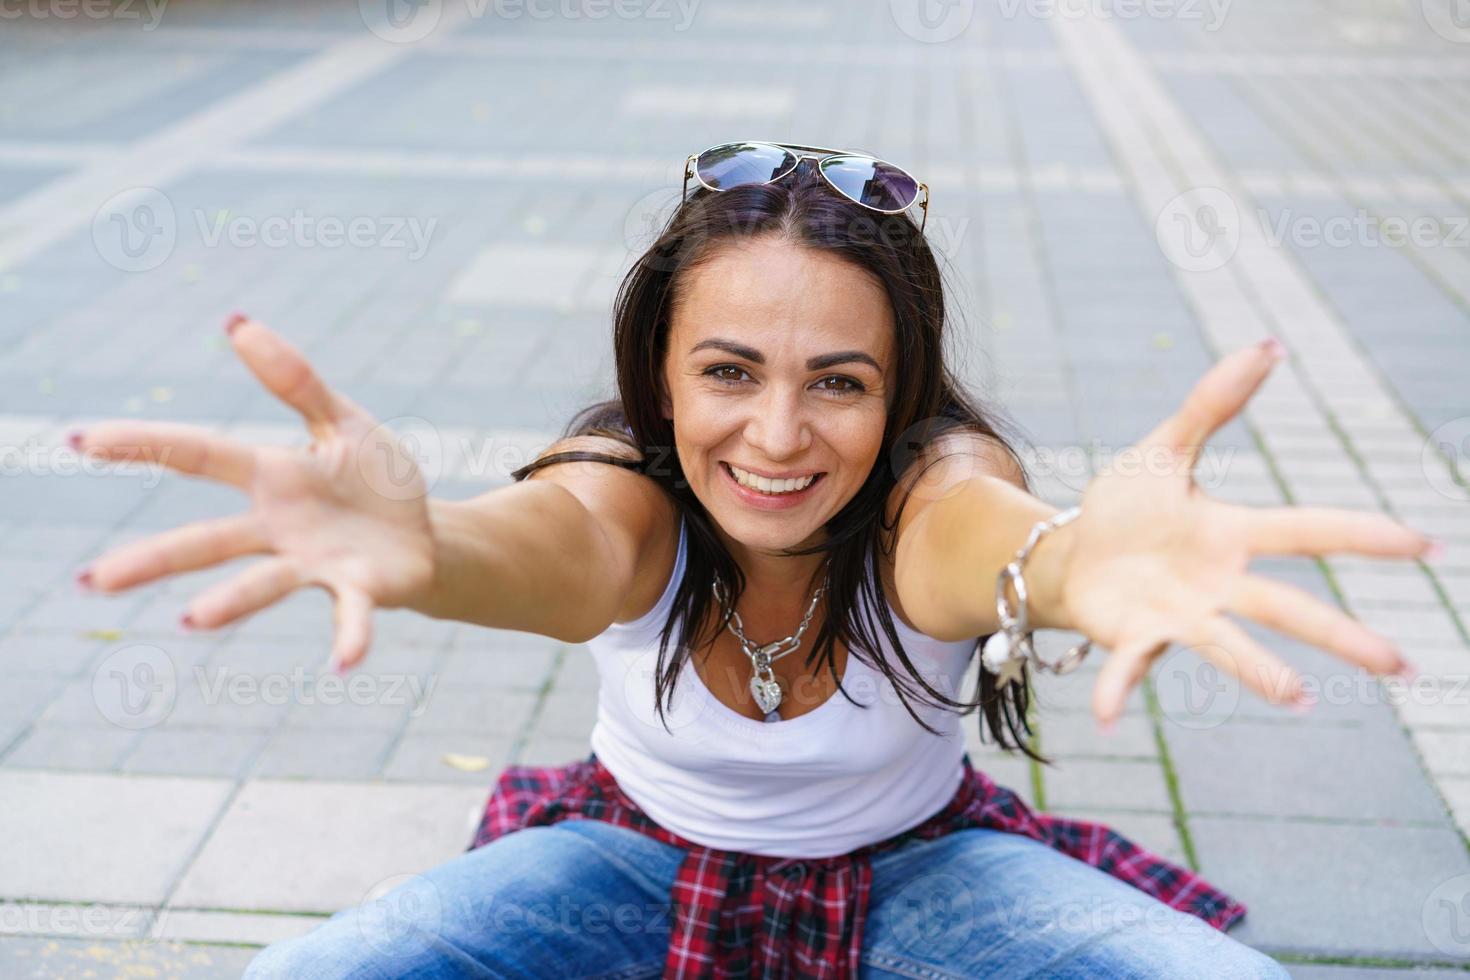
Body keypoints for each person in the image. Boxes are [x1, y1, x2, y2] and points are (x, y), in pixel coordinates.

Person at [72, 142, 1428, 978]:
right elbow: (540, 550)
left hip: (918, 872)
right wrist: (421, 546)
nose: (777, 437)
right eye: (728, 372)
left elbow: (999, 546)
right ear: (658, 381)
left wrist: (1078, 562)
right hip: (629, 861)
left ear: (899, 396)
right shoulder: (625, 496)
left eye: (837, 382)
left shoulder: (934, 492)